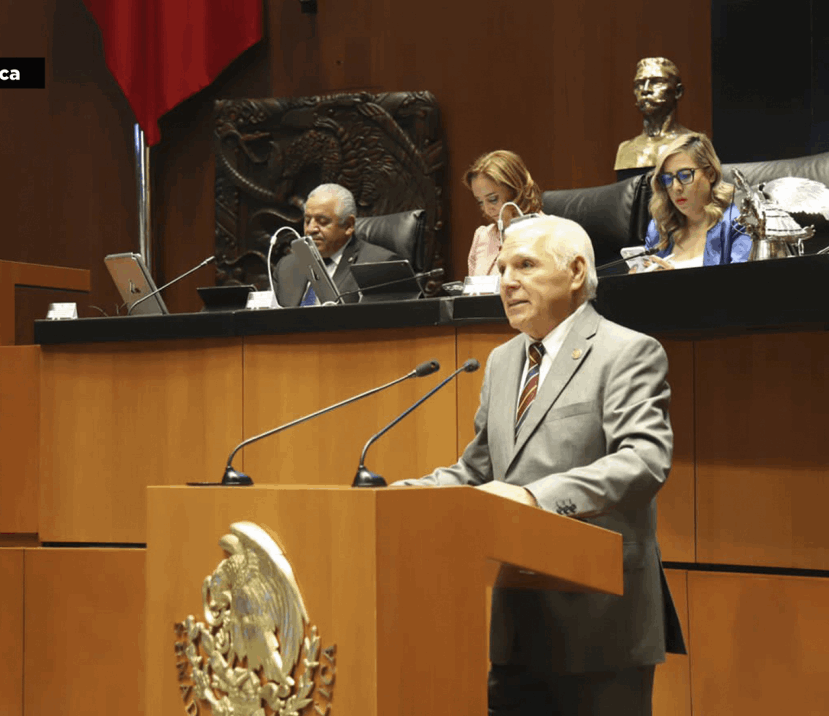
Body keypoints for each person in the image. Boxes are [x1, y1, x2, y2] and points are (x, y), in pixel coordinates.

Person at [393, 215, 684, 716]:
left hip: (601, 622)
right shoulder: (503, 361)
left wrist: (534, 497)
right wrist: (408, 495)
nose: (506, 282)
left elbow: (643, 461)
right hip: (518, 624)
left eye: (525, 265)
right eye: (502, 268)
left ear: (576, 272)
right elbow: (478, 471)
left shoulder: (627, 352)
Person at [273, 183, 401, 306]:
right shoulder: (287, 266)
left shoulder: (379, 266)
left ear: (348, 225)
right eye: (307, 221)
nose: (310, 229)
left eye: (322, 221)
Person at [638, 133, 751, 271]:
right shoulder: (660, 228)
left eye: (685, 175)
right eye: (667, 179)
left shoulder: (741, 221)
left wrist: (675, 281)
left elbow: (745, 282)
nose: (676, 187)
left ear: (710, 174)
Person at [464, 150, 544, 277]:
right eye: (480, 202)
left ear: (515, 190)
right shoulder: (483, 236)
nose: (487, 209)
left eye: (493, 199)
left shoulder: (548, 233)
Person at [614, 58, 696, 173]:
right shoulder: (625, 149)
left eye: (657, 82)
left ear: (678, 92)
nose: (645, 90)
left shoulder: (694, 145)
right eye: (639, 84)